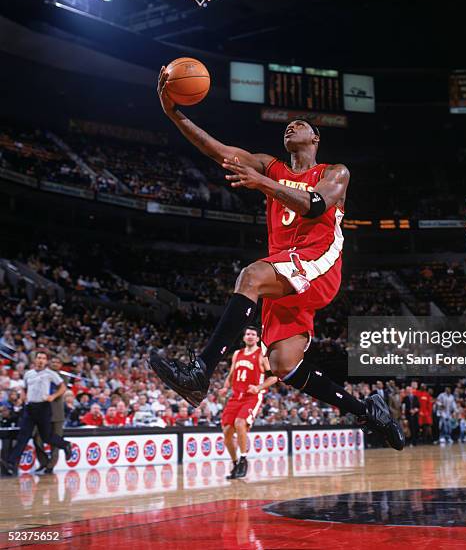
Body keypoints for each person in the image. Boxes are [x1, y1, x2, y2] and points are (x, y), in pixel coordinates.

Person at [150, 67, 404, 451]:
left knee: (250, 276)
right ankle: (367, 410)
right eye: (287, 125)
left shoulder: (334, 171)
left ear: (315, 138)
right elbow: (218, 151)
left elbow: (315, 205)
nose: (291, 127)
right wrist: (174, 113)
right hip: (286, 272)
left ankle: (200, 371)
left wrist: (266, 185)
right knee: (285, 365)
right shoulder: (271, 165)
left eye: (300, 125)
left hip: (318, 263)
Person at [0, 350, 72, 476]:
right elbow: (24, 388)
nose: (40, 360)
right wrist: (23, 397)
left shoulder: (50, 373)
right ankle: (10, 463)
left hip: (43, 407)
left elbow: (63, 387)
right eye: (39, 358)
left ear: (46, 361)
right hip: (30, 407)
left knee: (46, 437)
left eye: (43, 358)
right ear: (35, 360)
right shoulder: (28, 374)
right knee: (23, 436)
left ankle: (65, 445)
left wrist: (53, 396)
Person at [219, 327, 277, 479]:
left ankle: (244, 459)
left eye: (253, 334)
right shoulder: (237, 354)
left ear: (258, 338)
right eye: (247, 334)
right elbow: (231, 375)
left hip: (252, 397)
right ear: (244, 337)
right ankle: (236, 462)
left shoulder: (262, 355)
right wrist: (225, 387)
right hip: (235, 397)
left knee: (240, 423)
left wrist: (259, 387)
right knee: (226, 433)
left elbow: (274, 377)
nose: (250, 336)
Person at [32, 355, 66, 474]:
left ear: (61, 365)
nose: (55, 364)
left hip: (57, 413)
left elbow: (59, 391)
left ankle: (51, 465)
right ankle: (43, 462)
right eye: (53, 362)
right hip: (41, 412)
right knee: (37, 438)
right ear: (48, 363)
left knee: (56, 440)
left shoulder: (63, 378)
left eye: (58, 362)